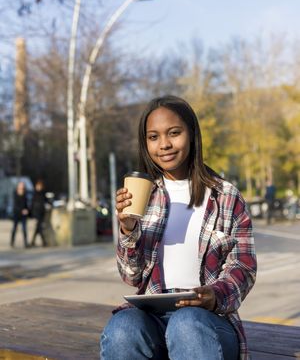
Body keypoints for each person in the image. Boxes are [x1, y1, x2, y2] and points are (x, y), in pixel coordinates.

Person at [100, 95, 257, 360]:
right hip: (152, 318)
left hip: (207, 321)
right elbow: (132, 276)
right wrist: (128, 230)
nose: (164, 145)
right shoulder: (143, 195)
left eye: (174, 133)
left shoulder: (225, 196)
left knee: (186, 323)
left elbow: (244, 267)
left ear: (192, 135)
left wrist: (214, 295)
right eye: (153, 137)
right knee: (123, 327)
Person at [10, 181, 29, 248]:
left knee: (24, 229)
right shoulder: (15, 193)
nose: (21, 186)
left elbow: (26, 204)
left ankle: (26, 243)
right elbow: (15, 205)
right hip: (16, 214)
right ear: (18, 186)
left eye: (22, 185)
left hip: (24, 215)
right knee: (15, 228)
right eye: (20, 185)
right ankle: (12, 242)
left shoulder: (25, 194)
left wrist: (27, 210)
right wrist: (21, 210)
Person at [30, 179, 48, 247]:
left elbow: (46, 201)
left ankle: (33, 242)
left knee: (38, 227)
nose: (39, 187)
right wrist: (31, 213)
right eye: (38, 186)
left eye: (40, 186)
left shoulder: (43, 193)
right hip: (36, 212)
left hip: (42, 212)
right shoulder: (34, 193)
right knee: (39, 227)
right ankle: (44, 242)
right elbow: (32, 203)